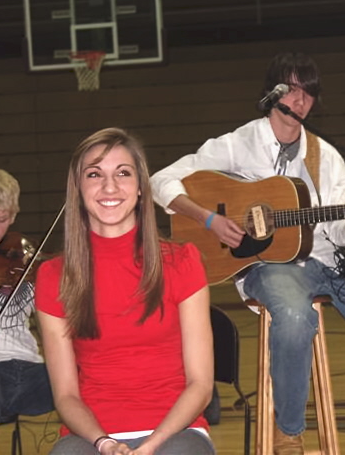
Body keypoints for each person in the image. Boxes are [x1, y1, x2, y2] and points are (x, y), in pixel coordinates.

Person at [150, 52, 345, 455]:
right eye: (292, 89)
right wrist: (209, 220)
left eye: (309, 92)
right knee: (297, 315)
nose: (300, 101)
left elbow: (340, 226)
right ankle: (289, 432)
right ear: (273, 94)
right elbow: (160, 180)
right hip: (269, 267)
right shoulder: (239, 143)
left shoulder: (325, 155)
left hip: (329, 264)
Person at [35, 128, 216, 455]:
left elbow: (201, 386)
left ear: (141, 189)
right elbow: (65, 396)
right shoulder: (52, 276)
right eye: (94, 174)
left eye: (123, 173)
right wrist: (104, 443)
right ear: (77, 189)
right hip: (91, 436)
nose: (109, 186)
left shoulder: (183, 262)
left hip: (176, 431)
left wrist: (151, 446)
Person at [0, 168, 54, 454]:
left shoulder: (23, 257)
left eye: (0, 220)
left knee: (93, 378)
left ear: (13, 216)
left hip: (30, 373)